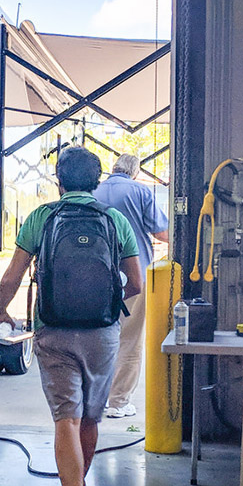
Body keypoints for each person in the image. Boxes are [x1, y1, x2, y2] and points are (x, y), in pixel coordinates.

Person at [0, 147, 142, 486]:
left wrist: (0, 311)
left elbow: (13, 274)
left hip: (54, 331)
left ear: (59, 181)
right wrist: (107, 305)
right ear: (96, 183)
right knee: (90, 419)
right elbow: (137, 284)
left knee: (66, 420)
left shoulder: (42, 217)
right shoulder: (115, 221)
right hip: (102, 334)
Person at [92, 154, 169, 419]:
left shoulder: (95, 191)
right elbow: (162, 232)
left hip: (97, 276)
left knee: (100, 337)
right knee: (130, 339)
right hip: (133, 276)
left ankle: (96, 400)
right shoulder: (139, 191)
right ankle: (119, 402)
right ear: (134, 171)